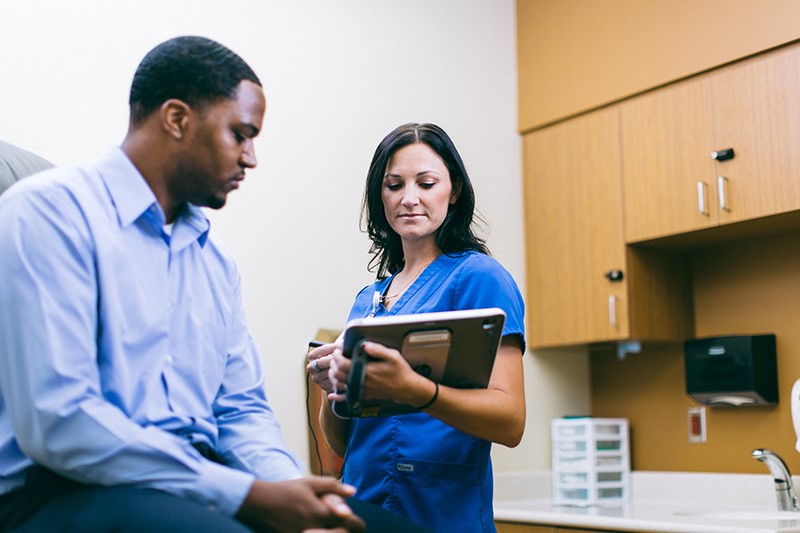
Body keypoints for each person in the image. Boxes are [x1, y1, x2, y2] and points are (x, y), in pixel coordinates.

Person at [0, 36, 368, 533]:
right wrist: (246, 495)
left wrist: (292, 493)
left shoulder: (215, 262)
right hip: (62, 490)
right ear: (176, 119)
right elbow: (61, 423)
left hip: (192, 489)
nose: (251, 157)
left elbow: (240, 411)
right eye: (240, 134)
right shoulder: (48, 214)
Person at [307, 123, 526, 532]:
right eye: (394, 185)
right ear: (380, 195)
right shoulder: (368, 300)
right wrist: (333, 388)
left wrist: (416, 391)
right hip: (364, 510)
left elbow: (511, 421)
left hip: (441, 514)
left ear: (454, 190)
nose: (410, 199)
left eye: (426, 183)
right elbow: (343, 442)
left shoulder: (480, 279)